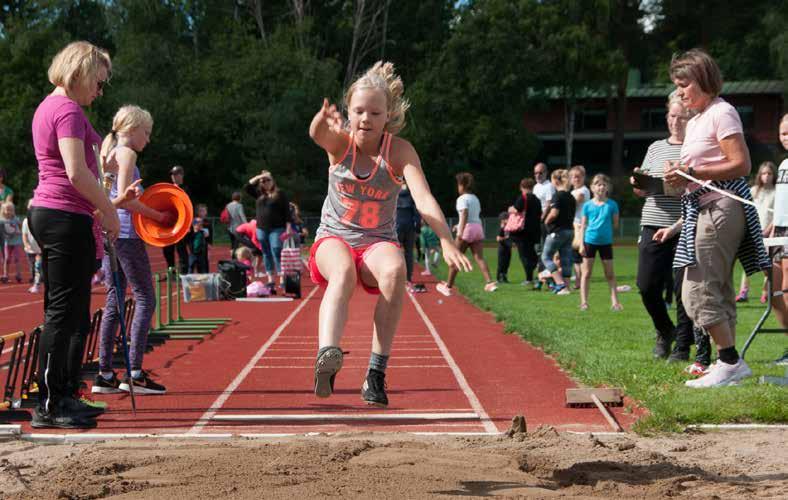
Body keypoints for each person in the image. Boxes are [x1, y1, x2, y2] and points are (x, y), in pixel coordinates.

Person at [308, 61, 471, 407]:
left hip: (376, 242)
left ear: (388, 117)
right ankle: (327, 354)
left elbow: (423, 197)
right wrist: (323, 120)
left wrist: (445, 239)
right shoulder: (340, 143)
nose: (365, 119)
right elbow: (317, 135)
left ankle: (376, 373)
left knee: (397, 270)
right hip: (333, 237)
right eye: (359, 111)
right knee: (342, 273)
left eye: (375, 113)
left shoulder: (399, 151)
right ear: (348, 114)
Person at [28, 41, 135, 429]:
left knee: (73, 313)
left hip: (61, 214)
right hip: (62, 215)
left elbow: (80, 164)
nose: (100, 92)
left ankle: (65, 393)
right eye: (99, 83)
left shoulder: (53, 108)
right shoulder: (67, 109)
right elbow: (74, 172)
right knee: (63, 312)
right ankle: (52, 402)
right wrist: (108, 210)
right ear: (82, 73)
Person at [661, 49, 770, 388]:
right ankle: (729, 366)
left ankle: (729, 361)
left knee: (697, 289)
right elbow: (694, 174)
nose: (680, 92)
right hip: (701, 209)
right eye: (677, 86)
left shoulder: (723, 112)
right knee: (717, 289)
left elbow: (741, 164)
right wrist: (675, 175)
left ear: (704, 81)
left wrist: (692, 171)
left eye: (684, 84)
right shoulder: (696, 121)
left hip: (720, 208)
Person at [92, 104, 168, 396]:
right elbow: (124, 198)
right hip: (125, 233)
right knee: (146, 297)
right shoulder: (127, 153)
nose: (148, 139)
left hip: (111, 233)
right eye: (146, 132)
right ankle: (134, 372)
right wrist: (156, 215)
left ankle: (105, 374)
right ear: (133, 129)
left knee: (114, 301)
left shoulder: (108, 150)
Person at [632, 93, 707, 367]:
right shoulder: (655, 147)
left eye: (682, 117)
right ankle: (665, 330)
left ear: (692, 119)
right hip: (653, 222)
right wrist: (638, 182)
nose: (676, 122)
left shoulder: (695, 149)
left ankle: (683, 347)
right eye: (672, 116)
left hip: (685, 223)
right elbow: (642, 190)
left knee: (682, 289)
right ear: (667, 118)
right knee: (646, 285)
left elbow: (698, 190)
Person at [437, 172, 497, 295]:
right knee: (479, 258)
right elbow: (473, 217)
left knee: (455, 258)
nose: (457, 187)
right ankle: (489, 283)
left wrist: (460, 232)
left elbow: (464, 214)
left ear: (462, 185)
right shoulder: (475, 198)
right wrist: (458, 225)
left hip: (467, 230)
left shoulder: (461, 199)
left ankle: (448, 287)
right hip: (478, 228)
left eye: (458, 185)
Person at [578, 174, 622, 311]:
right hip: (589, 242)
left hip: (606, 243)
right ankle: (584, 303)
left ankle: (615, 303)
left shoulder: (612, 205)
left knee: (610, 274)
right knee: (586, 274)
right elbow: (583, 225)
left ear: (608, 187)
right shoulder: (587, 205)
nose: (601, 187)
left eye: (604, 184)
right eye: (598, 184)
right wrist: (581, 244)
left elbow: (615, 224)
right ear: (592, 188)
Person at [765, 113, 788, 366]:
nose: (786, 138)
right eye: (783, 133)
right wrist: (772, 226)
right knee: (774, 293)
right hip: (779, 233)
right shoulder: (782, 166)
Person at [736, 161, 776, 303]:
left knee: (766, 265)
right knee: (748, 262)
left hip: (768, 233)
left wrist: (768, 230)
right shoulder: (754, 190)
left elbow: (776, 215)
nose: (766, 176)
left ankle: (766, 291)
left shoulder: (777, 192)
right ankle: (743, 292)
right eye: (764, 173)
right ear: (760, 175)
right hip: (753, 231)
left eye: (769, 173)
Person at [245, 170, 292, 286]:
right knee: (266, 253)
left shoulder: (280, 194)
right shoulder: (259, 194)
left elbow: (287, 211)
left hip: (277, 228)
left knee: (276, 250)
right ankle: (271, 279)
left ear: (273, 181)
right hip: (261, 228)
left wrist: (288, 227)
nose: (265, 182)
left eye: (267, 180)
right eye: (263, 181)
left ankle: (282, 278)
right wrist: (260, 176)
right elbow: (247, 187)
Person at [539, 169, 575, 295]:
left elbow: (554, 213)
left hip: (557, 231)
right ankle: (567, 287)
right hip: (570, 231)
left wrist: (546, 221)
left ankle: (560, 284)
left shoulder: (557, 196)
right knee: (566, 260)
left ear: (555, 180)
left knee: (546, 257)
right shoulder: (571, 196)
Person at [507, 178, 542, 287]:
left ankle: (529, 278)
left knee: (524, 255)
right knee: (531, 253)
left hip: (522, 232)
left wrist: (510, 209)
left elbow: (517, 210)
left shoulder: (523, 198)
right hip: (534, 231)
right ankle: (538, 273)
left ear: (521, 187)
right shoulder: (537, 199)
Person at [162, 165, 191, 274]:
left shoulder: (186, 189)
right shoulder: (169, 188)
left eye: (176, 174)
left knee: (181, 249)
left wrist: (188, 224)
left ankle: (184, 273)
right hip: (170, 223)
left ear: (181, 175)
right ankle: (171, 272)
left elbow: (189, 207)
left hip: (182, 224)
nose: (173, 177)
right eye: (172, 175)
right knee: (167, 249)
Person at [532, 162, 555, 287]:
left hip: (545, 222)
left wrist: (541, 218)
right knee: (537, 250)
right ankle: (543, 276)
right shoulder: (536, 187)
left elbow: (548, 204)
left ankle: (544, 277)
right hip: (536, 222)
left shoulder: (549, 186)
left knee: (545, 250)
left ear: (546, 173)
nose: (538, 175)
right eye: (536, 173)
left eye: (540, 172)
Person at [569, 165, 590, 290]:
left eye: (578, 176)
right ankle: (578, 281)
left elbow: (575, 202)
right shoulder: (572, 192)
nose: (575, 179)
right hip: (574, 226)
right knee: (575, 256)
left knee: (580, 255)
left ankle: (581, 281)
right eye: (573, 177)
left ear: (583, 177)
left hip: (582, 226)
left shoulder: (583, 190)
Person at [395, 183, 420, 285]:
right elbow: (417, 213)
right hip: (410, 226)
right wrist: (418, 229)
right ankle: (408, 277)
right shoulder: (412, 195)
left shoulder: (394, 193)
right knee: (409, 253)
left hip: (396, 225)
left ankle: (396, 276)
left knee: (395, 252)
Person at [22, 199, 42, 293]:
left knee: (38, 266)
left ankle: (36, 285)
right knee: (33, 268)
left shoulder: (41, 219)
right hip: (30, 249)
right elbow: (24, 234)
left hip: (40, 249)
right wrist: (26, 245)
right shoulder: (26, 221)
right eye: (30, 206)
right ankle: (36, 282)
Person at [1, 202, 23, 283]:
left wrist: (19, 231)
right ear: (3, 210)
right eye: (7, 210)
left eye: (11, 210)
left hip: (16, 242)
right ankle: (5, 275)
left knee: (17, 258)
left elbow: (21, 226)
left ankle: (18, 274)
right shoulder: (1, 220)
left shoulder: (16, 219)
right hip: (7, 242)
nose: (9, 211)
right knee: (7, 259)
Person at [225, 191, 247, 256]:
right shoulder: (239, 206)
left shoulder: (228, 205)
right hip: (238, 228)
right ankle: (234, 258)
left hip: (229, 227)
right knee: (236, 244)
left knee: (232, 243)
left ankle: (232, 256)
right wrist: (246, 224)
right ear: (239, 198)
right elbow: (242, 216)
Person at [495, 211, 512, 283]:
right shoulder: (502, 228)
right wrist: (506, 237)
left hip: (508, 247)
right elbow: (498, 238)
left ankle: (504, 277)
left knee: (507, 264)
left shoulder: (510, 227)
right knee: (501, 263)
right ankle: (498, 278)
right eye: (507, 219)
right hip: (502, 248)